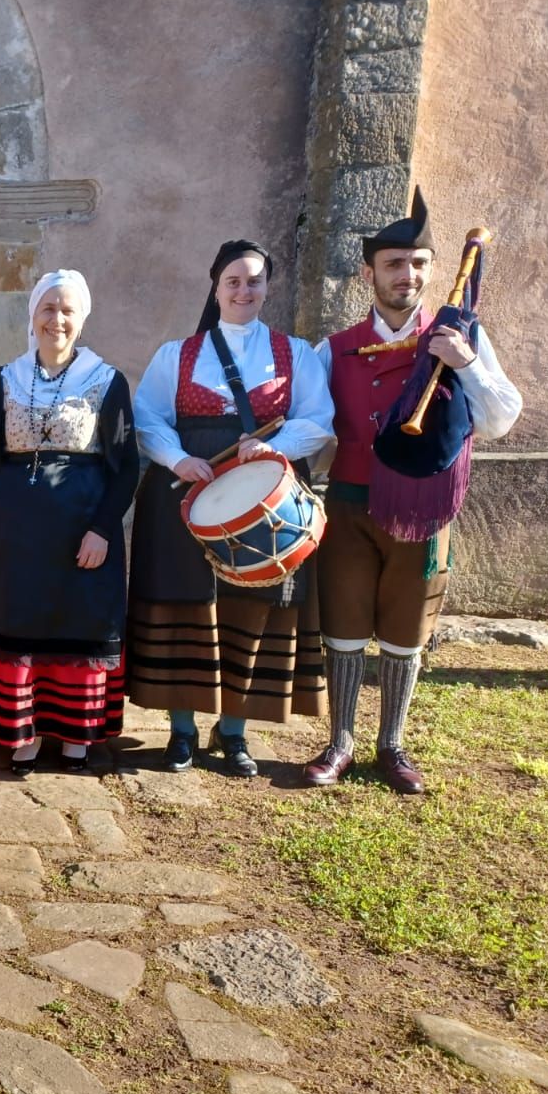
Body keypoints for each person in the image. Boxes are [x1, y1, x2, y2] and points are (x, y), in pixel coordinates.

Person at [306, 191, 522, 794]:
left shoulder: (460, 335)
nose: (409, 275)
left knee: (406, 631)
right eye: (396, 264)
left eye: (420, 264)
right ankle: (341, 741)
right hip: (349, 504)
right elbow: (314, 427)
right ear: (370, 272)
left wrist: (466, 362)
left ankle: (391, 745)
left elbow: (503, 416)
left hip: (424, 511)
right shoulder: (335, 347)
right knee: (344, 627)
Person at [128, 240, 335, 776]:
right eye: (233, 282)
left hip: (264, 498)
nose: (244, 291)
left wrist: (275, 448)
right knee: (188, 604)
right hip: (185, 499)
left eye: (254, 281)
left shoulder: (296, 353)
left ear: (268, 286)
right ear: (216, 287)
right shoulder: (176, 354)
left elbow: (317, 420)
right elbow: (147, 418)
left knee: (252, 607)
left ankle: (235, 730)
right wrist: (177, 460)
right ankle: (181, 732)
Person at [0, 270, 138, 774]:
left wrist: (103, 528)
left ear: (80, 320)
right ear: (32, 315)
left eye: (67, 311)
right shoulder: (6, 378)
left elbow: (127, 467)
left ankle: (76, 736)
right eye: (47, 309)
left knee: (75, 622)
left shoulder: (107, 380)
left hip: (81, 534)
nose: (56, 319)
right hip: (13, 536)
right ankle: (23, 733)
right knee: (19, 624)